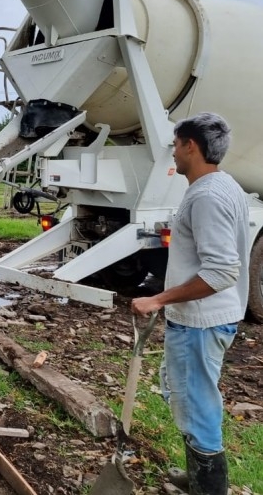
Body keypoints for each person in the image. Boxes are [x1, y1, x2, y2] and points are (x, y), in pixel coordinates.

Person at [131, 113, 248, 495]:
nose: (174, 153)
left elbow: (221, 270)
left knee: (197, 405)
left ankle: (208, 488)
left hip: (201, 322)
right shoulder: (222, 185)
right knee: (187, 394)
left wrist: (158, 299)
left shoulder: (209, 196)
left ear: (190, 147)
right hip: (206, 319)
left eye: (176, 145)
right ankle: (201, 477)